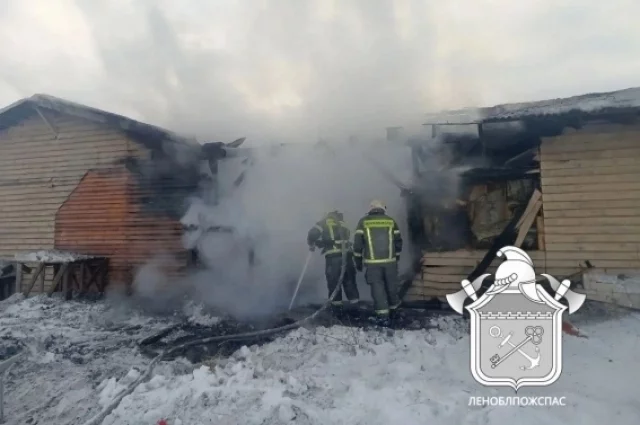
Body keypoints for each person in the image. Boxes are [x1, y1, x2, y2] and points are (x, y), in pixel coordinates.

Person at [352, 200, 403, 326]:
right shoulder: (390, 221)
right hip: (390, 262)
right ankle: (395, 312)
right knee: (392, 287)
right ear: (383, 209)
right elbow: (398, 241)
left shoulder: (363, 222)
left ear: (370, 209)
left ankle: (383, 317)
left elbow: (357, 245)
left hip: (373, 263)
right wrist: (396, 257)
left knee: (378, 289)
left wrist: (358, 261)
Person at [307, 210, 360, 310]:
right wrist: (323, 243)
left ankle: (337, 310)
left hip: (333, 258)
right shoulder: (343, 223)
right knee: (350, 282)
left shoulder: (324, 222)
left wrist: (311, 243)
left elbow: (312, 234)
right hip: (347, 257)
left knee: (333, 282)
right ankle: (356, 308)